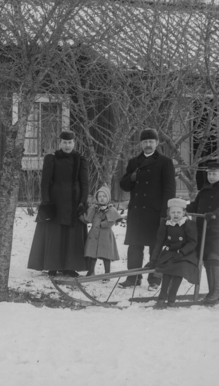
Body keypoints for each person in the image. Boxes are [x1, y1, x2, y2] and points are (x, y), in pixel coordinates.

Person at [118, 128, 176, 288]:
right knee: (135, 246)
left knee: (155, 247)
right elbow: (124, 185)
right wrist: (132, 177)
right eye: (145, 142)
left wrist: (166, 212)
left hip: (156, 212)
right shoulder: (133, 162)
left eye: (151, 141)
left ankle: (155, 279)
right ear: (141, 144)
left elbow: (170, 189)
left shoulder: (165, 162)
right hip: (137, 212)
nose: (148, 144)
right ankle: (133, 278)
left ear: (157, 143)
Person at [27, 130, 89, 276]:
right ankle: (52, 266)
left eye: (70, 143)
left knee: (72, 234)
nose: (67, 146)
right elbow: (45, 182)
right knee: (54, 233)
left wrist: (82, 202)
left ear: (74, 143)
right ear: (60, 143)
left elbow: (85, 184)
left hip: (74, 202)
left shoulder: (80, 160)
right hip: (55, 201)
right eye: (64, 142)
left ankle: (70, 267)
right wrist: (46, 202)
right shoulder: (52, 159)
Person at [185, 159, 219, 303]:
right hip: (201, 231)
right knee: (203, 259)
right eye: (209, 174)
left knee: (213, 257)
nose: (211, 177)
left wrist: (215, 214)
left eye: (214, 174)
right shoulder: (204, 191)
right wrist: (181, 209)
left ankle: (215, 292)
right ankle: (209, 291)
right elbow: (194, 206)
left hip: (216, 231)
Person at [152, 198, 200, 308]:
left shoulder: (188, 224)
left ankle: (172, 294)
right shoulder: (166, 224)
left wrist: (182, 252)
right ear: (168, 213)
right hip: (171, 251)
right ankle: (162, 295)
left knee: (180, 267)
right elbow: (159, 242)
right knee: (167, 266)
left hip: (186, 253)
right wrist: (153, 259)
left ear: (184, 212)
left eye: (179, 212)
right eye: (173, 212)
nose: (176, 215)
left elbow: (192, 242)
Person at [81, 185, 121, 276]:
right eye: (99, 196)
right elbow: (87, 219)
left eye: (104, 196)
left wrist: (102, 224)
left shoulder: (111, 209)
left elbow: (112, 221)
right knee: (92, 254)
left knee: (106, 255)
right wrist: (81, 215)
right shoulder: (94, 208)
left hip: (105, 235)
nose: (102, 198)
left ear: (108, 198)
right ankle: (91, 271)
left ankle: (107, 274)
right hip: (93, 234)